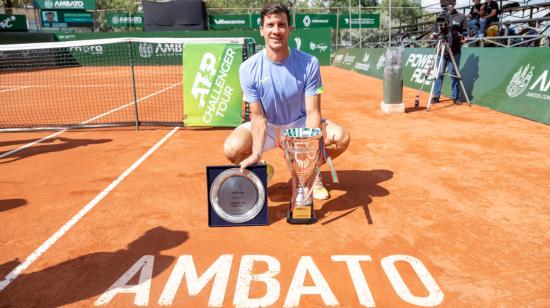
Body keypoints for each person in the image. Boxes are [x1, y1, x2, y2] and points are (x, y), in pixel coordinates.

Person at [223, 3, 350, 200]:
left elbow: (313, 113)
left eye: (281, 25)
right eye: (270, 25)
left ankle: (308, 173)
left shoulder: (309, 63)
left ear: (290, 29)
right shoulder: (248, 68)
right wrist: (257, 153)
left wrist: (308, 159)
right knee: (232, 149)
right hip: (269, 126)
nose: (276, 30)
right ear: (262, 30)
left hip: (300, 124)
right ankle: (264, 170)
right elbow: (257, 117)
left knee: (340, 137)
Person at [431, 0, 468, 105]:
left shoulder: (461, 17)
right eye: (446, 3)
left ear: (454, 3)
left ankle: (456, 97)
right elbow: (435, 30)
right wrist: (433, 34)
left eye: (451, 3)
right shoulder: (441, 16)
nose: (449, 5)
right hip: (441, 50)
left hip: (455, 51)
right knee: (439, 73)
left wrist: (465, 38)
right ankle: (436, 96)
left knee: (454, 74)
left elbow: (465, 32)